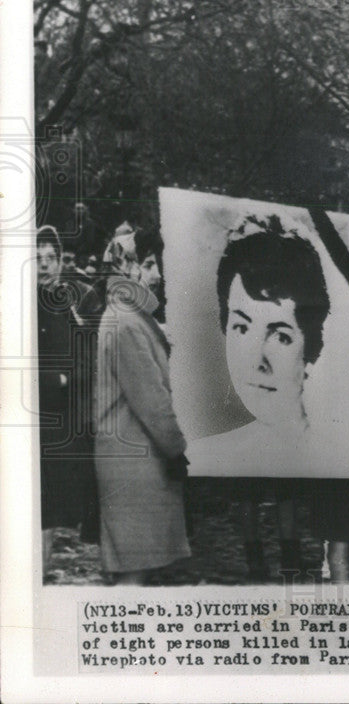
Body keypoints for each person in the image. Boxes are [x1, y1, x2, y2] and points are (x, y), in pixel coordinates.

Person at [186, 215, 334, 580]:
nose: (256, 359)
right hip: (241, 427)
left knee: (285, 488)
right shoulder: (228, 424)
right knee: (246, 490)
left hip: (285, 430)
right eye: (240, 327)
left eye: (281, 336)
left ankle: (289, 557)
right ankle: (257, 560)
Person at [94, 228, 189, 584]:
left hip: (136, 461)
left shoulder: (129, 315)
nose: (157, 274)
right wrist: (178, 450)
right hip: (134, 466)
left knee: (138, 573)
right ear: (125, 267)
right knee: (132, 577)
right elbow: (153, 401)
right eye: (148, 264)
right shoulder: (126, 322)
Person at [36, 226, 102, 575]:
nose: (45, 266)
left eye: (51, 258)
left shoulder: (70, 301)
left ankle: (43, 569)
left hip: (65, 417)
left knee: (54, 505)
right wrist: (51, 380)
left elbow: (87, 356)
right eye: (38, 259)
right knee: (38, 501)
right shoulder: (22, 305)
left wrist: (69, 378)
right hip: (36, 419)